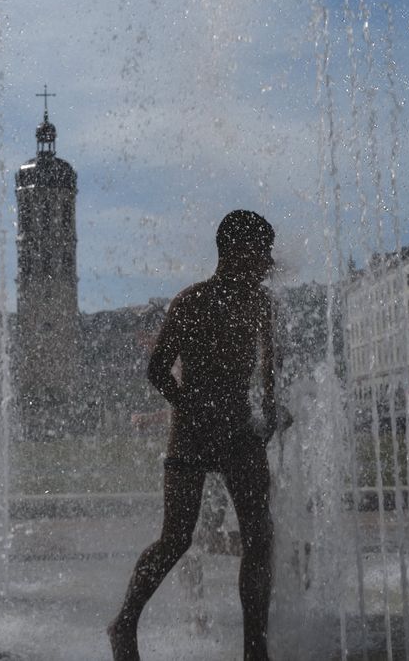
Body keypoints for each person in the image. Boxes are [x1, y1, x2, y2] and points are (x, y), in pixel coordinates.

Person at [109, 210, 284, 661]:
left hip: (240, 433)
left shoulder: (260, 303)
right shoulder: (192, 302)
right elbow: (157, 369)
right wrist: (190, 407)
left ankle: (255, 647)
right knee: (176, 538)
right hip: (191, 435)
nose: (268, 262)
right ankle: (124, 622)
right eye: (261, 252)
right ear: (236, 252)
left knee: (260, 536)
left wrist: (268, 410)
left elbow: (270, 367)